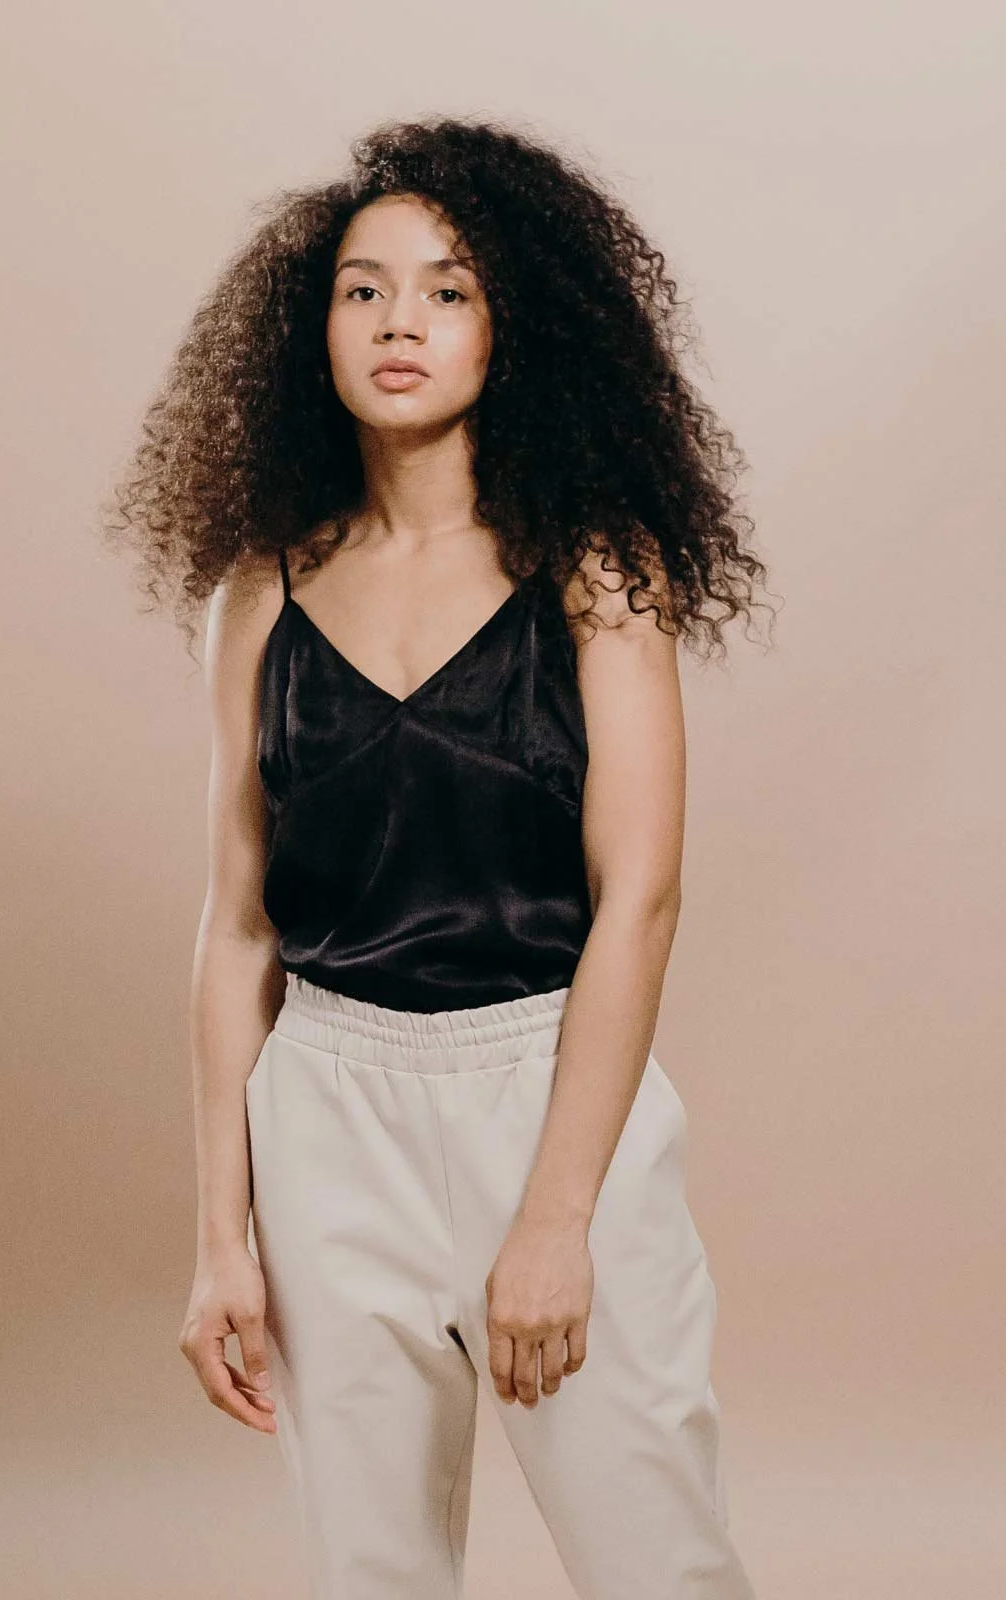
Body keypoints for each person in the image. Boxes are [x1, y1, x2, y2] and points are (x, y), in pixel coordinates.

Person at [104, 114, 771, 1600]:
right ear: (315, 328)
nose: (399, 321)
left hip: (548, 1092)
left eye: (447, 289)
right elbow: (237, 928)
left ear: (511, 328)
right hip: (324, 1113)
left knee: (659, 1562)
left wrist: (556, 1217)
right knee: (372, 1573)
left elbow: (640, 901)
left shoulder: (599, 572)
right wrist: (223, 1239)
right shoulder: (259, 593)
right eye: (364, 288)